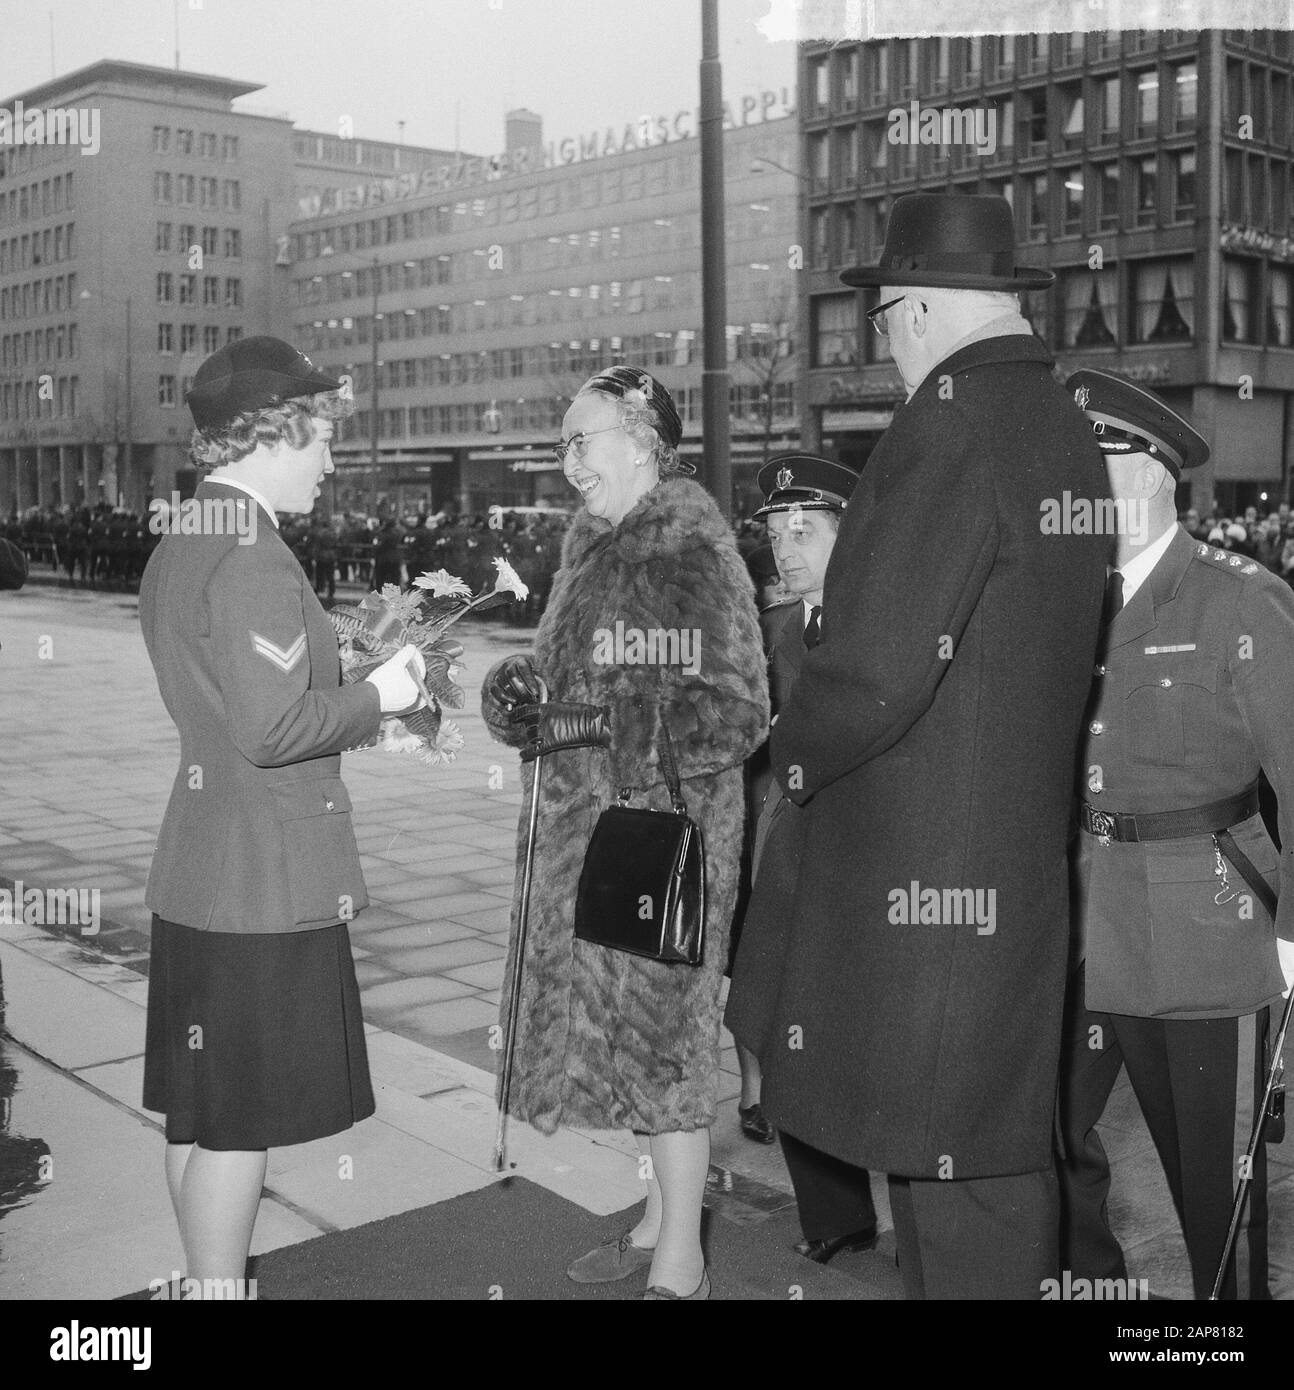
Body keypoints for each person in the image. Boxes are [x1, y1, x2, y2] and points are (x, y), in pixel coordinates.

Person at [725, 192, 1110, 1299]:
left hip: (926, 883)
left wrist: (788, 751)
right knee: (968, 1162)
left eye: (883, 319)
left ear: (921, 307)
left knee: (962, 1190)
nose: (883, 344)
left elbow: (876, 666)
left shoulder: (948, 423)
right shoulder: (1057, 423)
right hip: (999, 875)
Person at [138, 336, 427, 1296]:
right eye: (322, 437)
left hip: (199, 868)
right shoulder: (254, 554)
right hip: (261, 882)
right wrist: (382, 696)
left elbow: (231, 708)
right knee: (241, 1124)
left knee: (199, 1111)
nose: (331, 458)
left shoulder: (187, 536)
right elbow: (273, 730)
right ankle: (220, 1291)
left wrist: (345, 685)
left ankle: (199, 1280)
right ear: (275, 432)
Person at [481, 365, 768, 1299]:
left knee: (664, 1049)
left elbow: (737, 714)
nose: (568, 462)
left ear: (643, 441)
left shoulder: (693, 556)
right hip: (590, 840)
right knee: (618, 1044)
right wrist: (526, 700)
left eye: (583, 440)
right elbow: (577, 688)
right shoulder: (590, 548)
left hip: (661, 843)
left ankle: (685, 1258)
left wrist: (601, 728)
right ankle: (653, 1220)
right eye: (562, 444)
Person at [1057, 370, 1294, 1301]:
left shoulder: (1239, 600)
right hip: (1083, 922)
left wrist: (1292, 935)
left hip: (1205, 926)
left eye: (1096, 464)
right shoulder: (1064, 600)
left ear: (1154, 474)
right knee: (1044, 1137)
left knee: (1214, 1188)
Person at [729, 454, 883, 1262]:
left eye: (805, 532)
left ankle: (905, 1219)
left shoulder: (890, 627)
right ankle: (834, 1214)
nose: (785, 550)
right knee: (775, 1022)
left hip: (869, 859)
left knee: (860, 1038)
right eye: (778, 535)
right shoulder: (772, 630)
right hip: (787, 853)